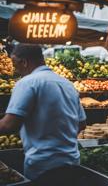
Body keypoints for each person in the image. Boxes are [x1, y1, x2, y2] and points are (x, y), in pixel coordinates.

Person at [0, 44, 86, 183]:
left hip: (43, 167)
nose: (15, 69)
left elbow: (8, 125)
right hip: (72, 163)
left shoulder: (27, 82)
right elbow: (81, 124)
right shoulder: (67, 84)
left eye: (15, 65)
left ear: (24, 62)